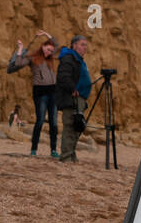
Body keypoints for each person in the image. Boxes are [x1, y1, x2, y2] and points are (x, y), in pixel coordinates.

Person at [7, 30, 59, 157]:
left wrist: (46, 34)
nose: (50, 52)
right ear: (42, 47)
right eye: (48, 49)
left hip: (53, 91)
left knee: (54, 122)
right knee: (40, 120)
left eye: (51, 51)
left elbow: (56, 45)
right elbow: (18, 63)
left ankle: (53, 150)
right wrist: (20, 49)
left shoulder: (50, 59)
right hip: (40, 92)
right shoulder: (33, 58)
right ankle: (34, 149)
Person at [56, 34, 93, 163]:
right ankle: (66, 157)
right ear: (74, 45)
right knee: (70, 127)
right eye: (82, 45)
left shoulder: (77, 59)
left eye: (86, 45)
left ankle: (71, 155)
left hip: (79, 99)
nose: (85, 48)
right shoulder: (68, 58)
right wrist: (73, 89)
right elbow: (63, 77)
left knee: (77, 127)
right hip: (71, 98)